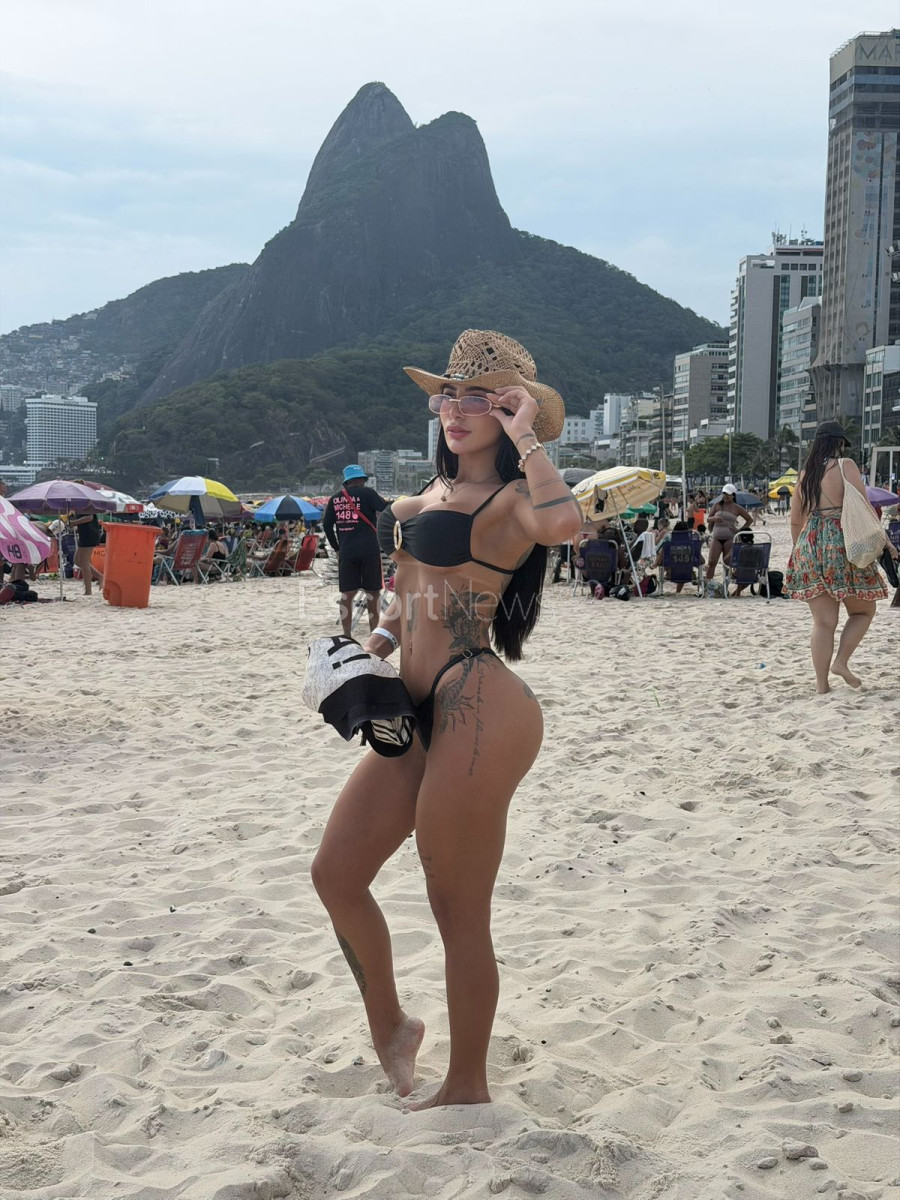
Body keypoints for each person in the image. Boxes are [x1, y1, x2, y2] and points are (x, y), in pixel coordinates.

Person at [310, 329, 579, 1109]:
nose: (456, 411)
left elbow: (565, 525)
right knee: (336, 874)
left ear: (510, 411)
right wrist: (369, 652)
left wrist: (528, 435)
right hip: (414, 703)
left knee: (456, 907)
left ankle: (466, 1084)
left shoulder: (514, 499)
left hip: (479, 699)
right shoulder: (427, 495)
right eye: (447, 396)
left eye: (479, 399)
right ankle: (393, 1027)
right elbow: (406, 598)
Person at [785, 421, 890, 693]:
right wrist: (885, 540)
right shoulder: (846, 465)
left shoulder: (805, 474)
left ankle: (821, 685)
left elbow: (795, 519)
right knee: (863, 611)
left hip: (809, 544)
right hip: (842, 542)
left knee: (823, 622)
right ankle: (841, 662)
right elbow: (864, 508)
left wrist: (801, 552)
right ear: (839, 443)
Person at [323, 465, 389, 635]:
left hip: (347, 552)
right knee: (373, 593)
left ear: (346, 482)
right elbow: (387, 509)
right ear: (361, 479)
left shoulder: (335, 499)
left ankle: (347, 634)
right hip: (369, 550)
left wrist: (337, 548)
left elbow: (327, 526)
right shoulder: (368, 493)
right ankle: (373, 632)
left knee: (347, 595)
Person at [703, 484, 752, 593]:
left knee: (727, 563)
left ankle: (726, 588)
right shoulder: (717, 505)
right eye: (724, 494)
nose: (725, 496)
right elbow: (708, 519)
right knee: (711, 562)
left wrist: (739, 531)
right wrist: (715, 518)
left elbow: (749, 520)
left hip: (730, 537)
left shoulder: (737, 507)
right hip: (716, 536)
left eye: (728, 494)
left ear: (733, 495)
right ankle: (707, 588)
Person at [69, 512, 104, 596]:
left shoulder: (85, 506)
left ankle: (88, 591)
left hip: (89, 534)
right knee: (77, 561)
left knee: (84, 562)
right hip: (85, 535)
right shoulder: (79, 508)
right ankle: (100, 576)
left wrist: (74, 522)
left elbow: (89, 517)